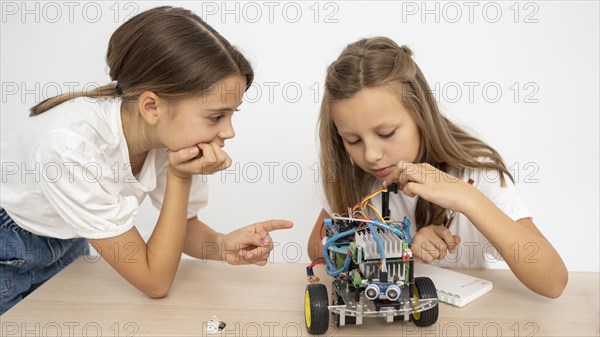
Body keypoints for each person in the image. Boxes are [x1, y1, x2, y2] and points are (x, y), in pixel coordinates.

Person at [0, 6, 292, 314]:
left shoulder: (169, 136)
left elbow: (183, 227)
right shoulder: (68, 148)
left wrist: (221, 245)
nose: (229, 132)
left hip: (69, 240)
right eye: (216, 116)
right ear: (152, 107)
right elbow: (155, 282)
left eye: (232, 114)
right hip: (10, 248)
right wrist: (180, 177)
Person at [307, 37, 567, 298]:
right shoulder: (354, 178)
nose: (372, 155)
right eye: (353, 140)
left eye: (386, 133)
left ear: (421, 114)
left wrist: (468, 199)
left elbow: (553, 281)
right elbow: (317, 248)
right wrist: (401, 248)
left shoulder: (477, 174)